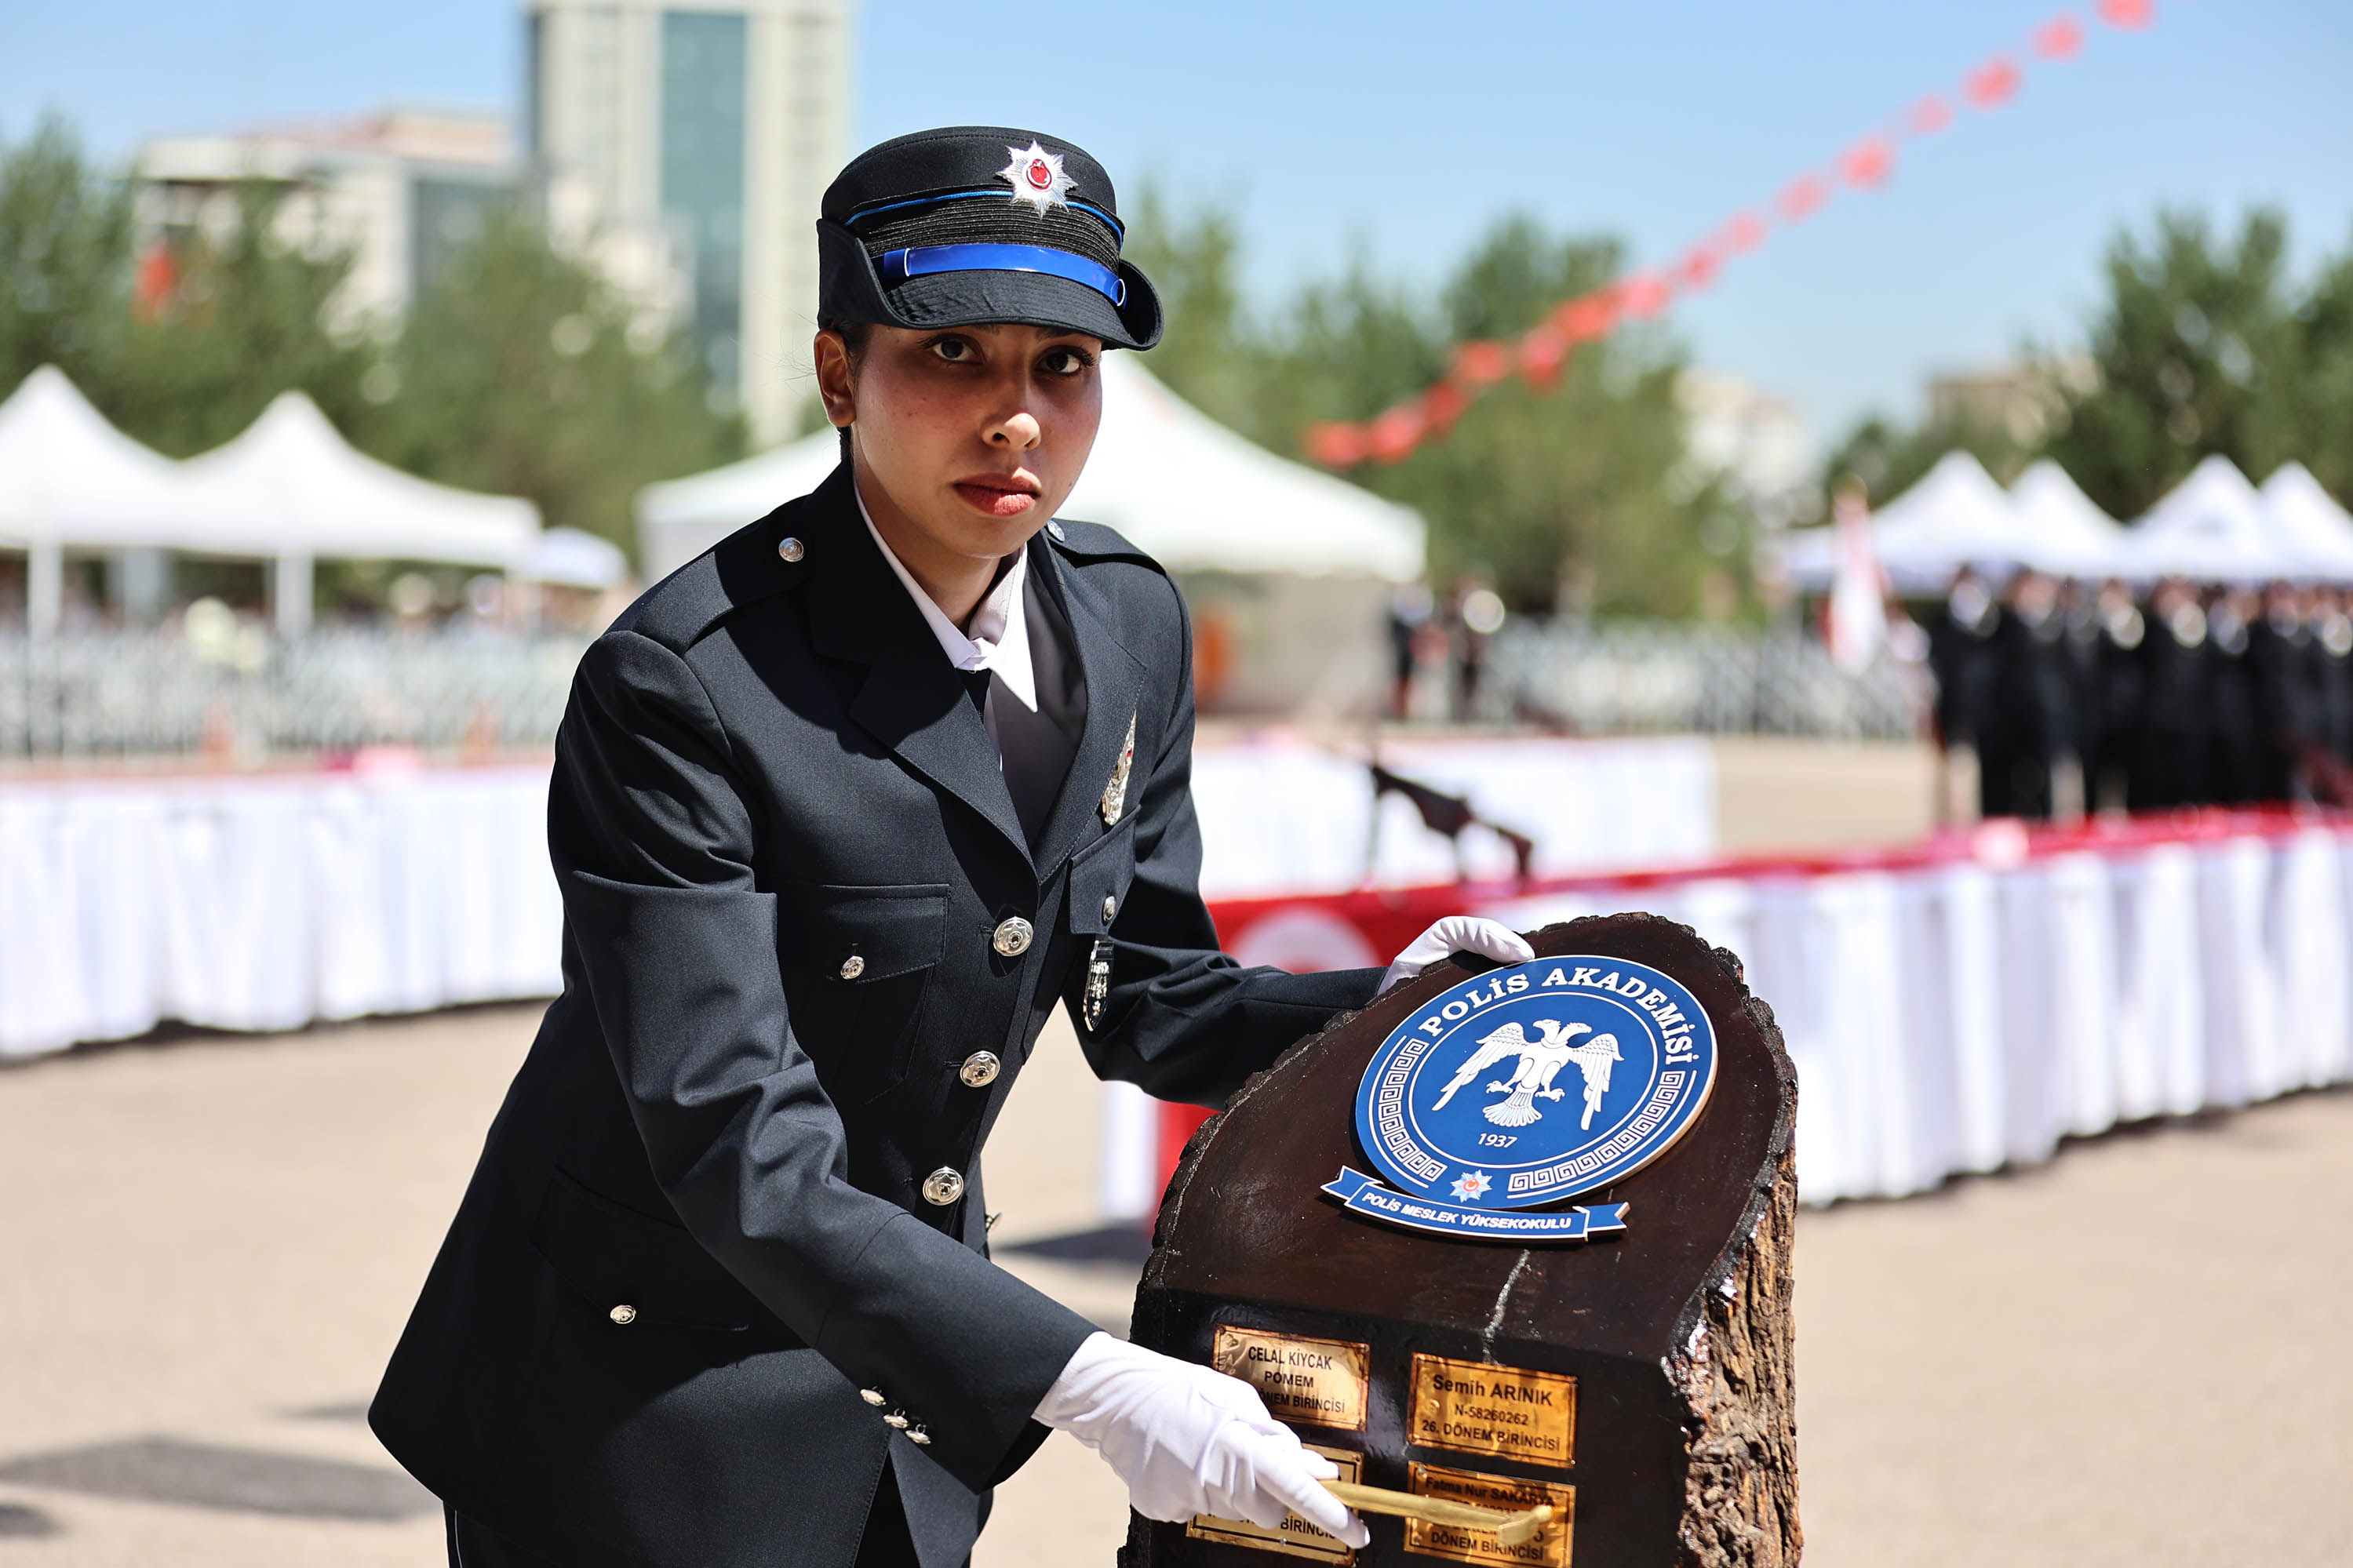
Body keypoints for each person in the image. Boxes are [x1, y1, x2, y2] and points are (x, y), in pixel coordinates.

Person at [368, 126, 1533, 1568]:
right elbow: (738, 1143)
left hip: (907, 1389)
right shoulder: (689, 682)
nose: (1018, 416)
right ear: (840, 372)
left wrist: (1382, 1013)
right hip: (645, 1402)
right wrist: (1088, 1379)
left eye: (1064, 363)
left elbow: (1145, 994)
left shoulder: (1123, 626)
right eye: (953, 355)